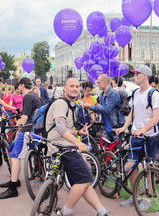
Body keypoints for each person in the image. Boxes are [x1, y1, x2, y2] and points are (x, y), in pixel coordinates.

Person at [45, 78, 111, 216]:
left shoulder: (71, 104)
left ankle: (101, 211)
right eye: (71, 86)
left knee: (83, 180)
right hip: (62, 147)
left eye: (76, 86)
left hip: (62, 145)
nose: (75, 89)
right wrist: (77, 141)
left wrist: (77, 132)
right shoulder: (60, 104)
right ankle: (66, 211)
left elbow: (66, 128)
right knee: (86, 178)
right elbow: (60, 127)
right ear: (64, 88)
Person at [116, 65, 159, 211]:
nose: (134, 76)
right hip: (136, 137)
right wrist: (124, 128)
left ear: (145, 76)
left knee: (148, 167)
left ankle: (148, 198)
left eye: (137, 74)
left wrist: (143, 130)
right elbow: (132, 113)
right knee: (130, 166)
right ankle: (135, 196)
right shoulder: (135, 93)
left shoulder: (154, 94)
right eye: (134, 74)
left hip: (150, 137)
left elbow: (156, 118)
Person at [0, 77, 42, 199]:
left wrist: (17, 126)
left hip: (27, 131)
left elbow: (25, 117)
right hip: (32, 130)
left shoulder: (27, 96)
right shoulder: (34, 95)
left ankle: (13, 188)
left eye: (19, 86)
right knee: (11, 150)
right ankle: (15, 180)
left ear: (22, 85)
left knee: (15, 156)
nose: (18, 88)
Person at [83, 74, 125, 143]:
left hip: (115, 127)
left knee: (118, 151)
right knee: (106, 151)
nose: (97, 84)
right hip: (105, 128)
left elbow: (106, 109)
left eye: (99, 82)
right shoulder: (102, 94)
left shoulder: (113, 93)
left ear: (105, 82)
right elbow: (101, 109)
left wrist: (90, 106)